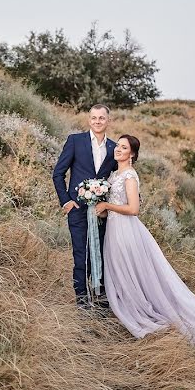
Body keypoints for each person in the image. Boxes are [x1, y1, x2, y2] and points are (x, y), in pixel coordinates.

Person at [95, 135, 195, 357]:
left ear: (132, 154)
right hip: (114, 230)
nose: (118, 150)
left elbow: (133, 209)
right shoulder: (115, 174)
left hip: (127, 231)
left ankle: (153, 312)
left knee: (135, 272)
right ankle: (133, 306)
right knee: (122, 271)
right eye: (118, 146)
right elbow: (116, 204)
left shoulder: (130, 176)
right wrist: (101, 207)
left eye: (124, 148)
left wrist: (107, 205)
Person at [52, 104, 118, 307]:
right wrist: (67, 201)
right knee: (81, 255)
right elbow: (58, 174)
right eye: (94, 118)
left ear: (108, 121)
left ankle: (101, 299)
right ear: (89, 120)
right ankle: (82, 302)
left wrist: (110, 206)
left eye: (102, 118)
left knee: (101, 255)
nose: (97, 121)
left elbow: (116, 179)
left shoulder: (114, 148)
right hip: (78, 210)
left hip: (102, 213)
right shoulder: (75, 141)